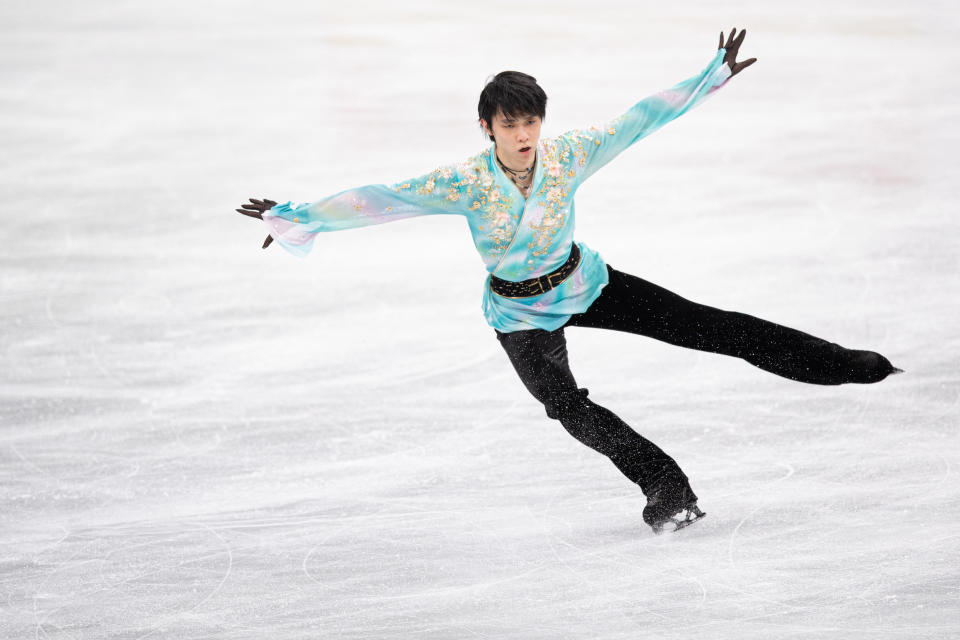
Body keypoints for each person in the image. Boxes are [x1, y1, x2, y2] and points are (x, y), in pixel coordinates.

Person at [237, 29, 901, 534]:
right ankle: (666, 487)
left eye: (531, 122)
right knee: (567, 407)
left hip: (585, 282)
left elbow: (638, 120)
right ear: (487, 126)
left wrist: (708, 78)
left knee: (709, 325)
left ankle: (842, 365)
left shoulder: (567, 157)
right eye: (510, 124)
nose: (523, 134)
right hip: (519, 315)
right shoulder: (465, 183)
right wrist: (299, 217)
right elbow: (382, 198)